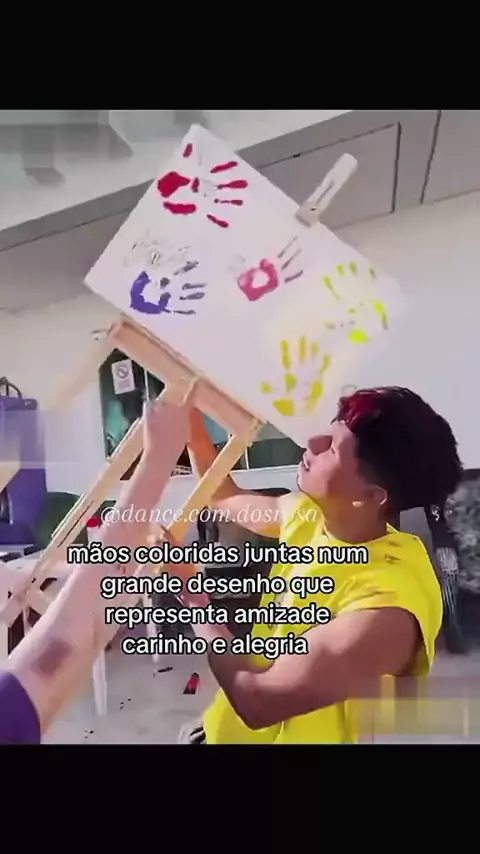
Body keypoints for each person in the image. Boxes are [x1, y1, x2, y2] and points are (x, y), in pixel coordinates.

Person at [178, 386, 462, 744]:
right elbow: (223, 494)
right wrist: (187, 419)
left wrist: (194, 600)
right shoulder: (312, 517)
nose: (312, 443)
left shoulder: (387, 608)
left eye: (332, 448)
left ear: (372, 495)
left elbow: (259, 701)